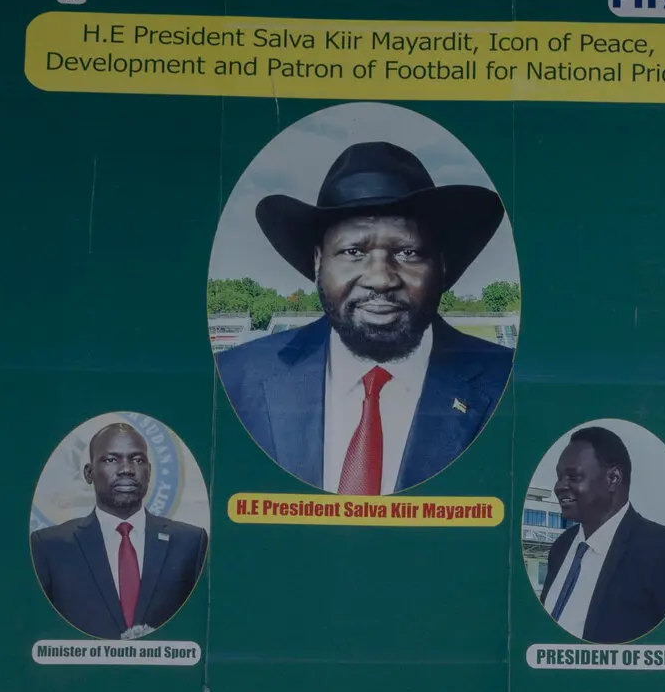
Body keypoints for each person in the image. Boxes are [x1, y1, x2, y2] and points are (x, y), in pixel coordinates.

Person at [216, 142, 514, 495]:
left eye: (408, 252)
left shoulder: (510, 385)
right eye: (353, 251)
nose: (380, 279)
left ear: (442, 265)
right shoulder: (235, 379)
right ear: (318, 261)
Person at [30, 422, 208, 638]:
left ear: (149, 472)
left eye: (137, 460)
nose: (127, 469)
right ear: (89, 473)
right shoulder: (49, 547)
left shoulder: (190, 543)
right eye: (111, 460)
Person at [539, 426, 665, 643]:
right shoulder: (561, 547)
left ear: (613, 478)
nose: (559, 487)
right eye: (559, 477)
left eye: (573, 476)